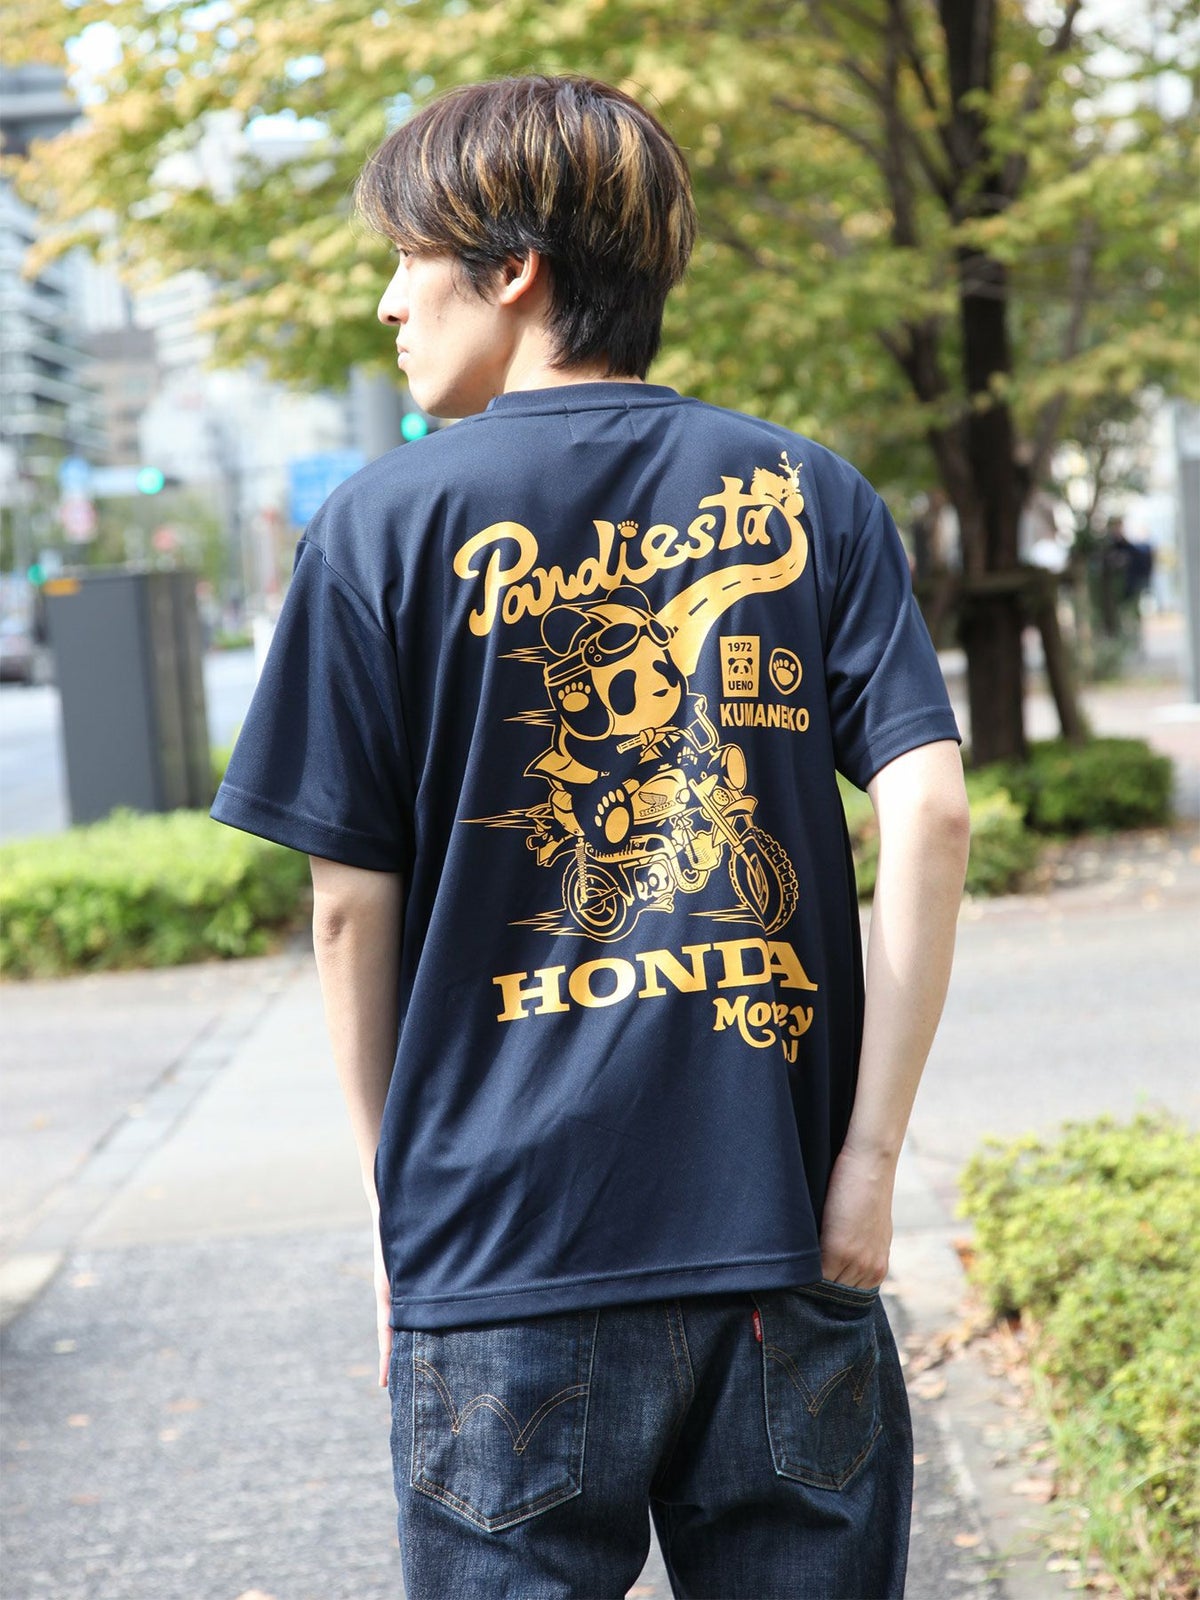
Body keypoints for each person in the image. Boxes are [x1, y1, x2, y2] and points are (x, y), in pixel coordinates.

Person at [212, 74, 970, 1600]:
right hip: (783, 1238)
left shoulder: (375, 528)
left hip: (501, 1259)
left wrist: (398, 1217)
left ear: (513, 268)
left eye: (408, 259)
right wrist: (869, 1164)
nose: (386, 302)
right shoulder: (812, 494)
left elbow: (348, 910)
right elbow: (933, 806)